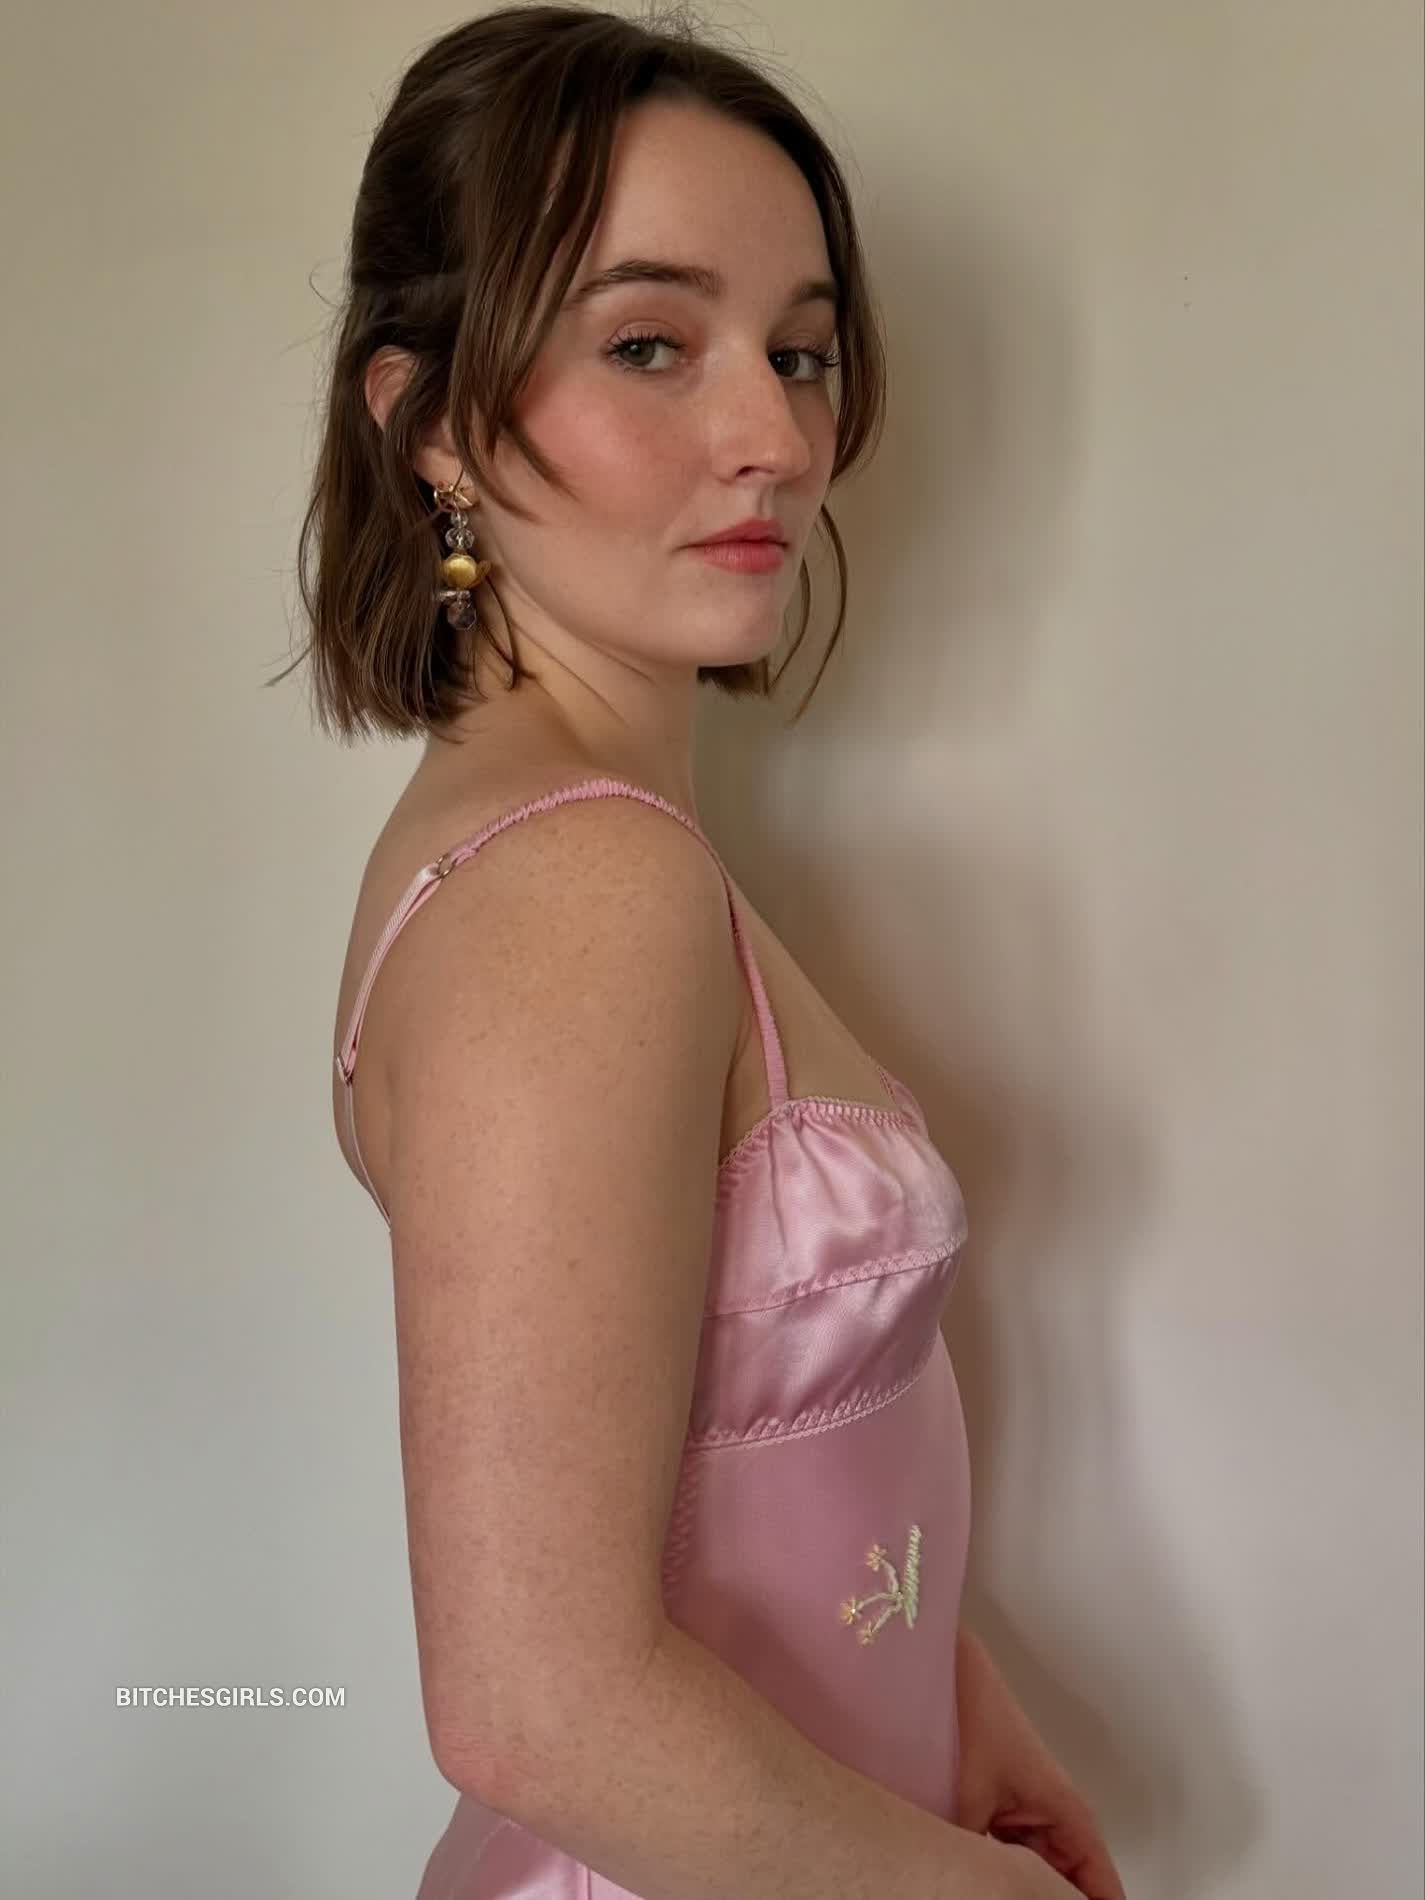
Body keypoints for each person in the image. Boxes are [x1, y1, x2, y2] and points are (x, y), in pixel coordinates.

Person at [278, 7, 1125, 1896]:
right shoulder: (580, 888)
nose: (773, 438)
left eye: (797, 351)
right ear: (428, 424)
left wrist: (953, 1699)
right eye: (648, 344)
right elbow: (532, 1706)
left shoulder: (593, 847)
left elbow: (735, 1467)